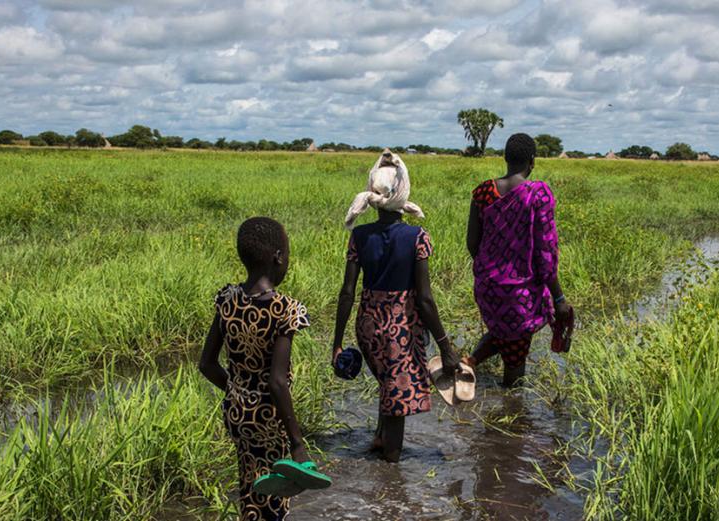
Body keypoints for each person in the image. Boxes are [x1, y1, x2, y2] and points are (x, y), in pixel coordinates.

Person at [332, 149, 460, 462]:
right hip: (400, 330)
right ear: (402, 192)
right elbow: (425, 299)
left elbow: (347, 292)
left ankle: (378, 437)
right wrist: (445, 346)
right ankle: (390, 472)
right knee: (398, 397)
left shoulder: (360, 236)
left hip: (369, 328)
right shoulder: (416, 237)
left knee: (387, 383)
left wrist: (336, 343)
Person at [199, 217, 323, 520]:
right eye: (288, 257)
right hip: (270, 416)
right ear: (278, 257)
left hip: (238, 412)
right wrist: (297, 443)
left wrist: (238, 392)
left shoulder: (227, 299)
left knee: (252, 484)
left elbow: (207, 364)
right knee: (277, 497)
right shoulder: (285, 309)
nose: (287, 263)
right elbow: (277, 382)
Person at [464, 133, 573, 387]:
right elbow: (546, 253)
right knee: (514, 373)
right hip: (519, 293)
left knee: (504, 333)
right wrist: (558, 298)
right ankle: (511, 419)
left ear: (505, 158)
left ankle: (469, 362)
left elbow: (472, 244)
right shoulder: (538, 194)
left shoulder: (483, 192)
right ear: (532, 161)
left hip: (487, 287)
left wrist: (493, 271)